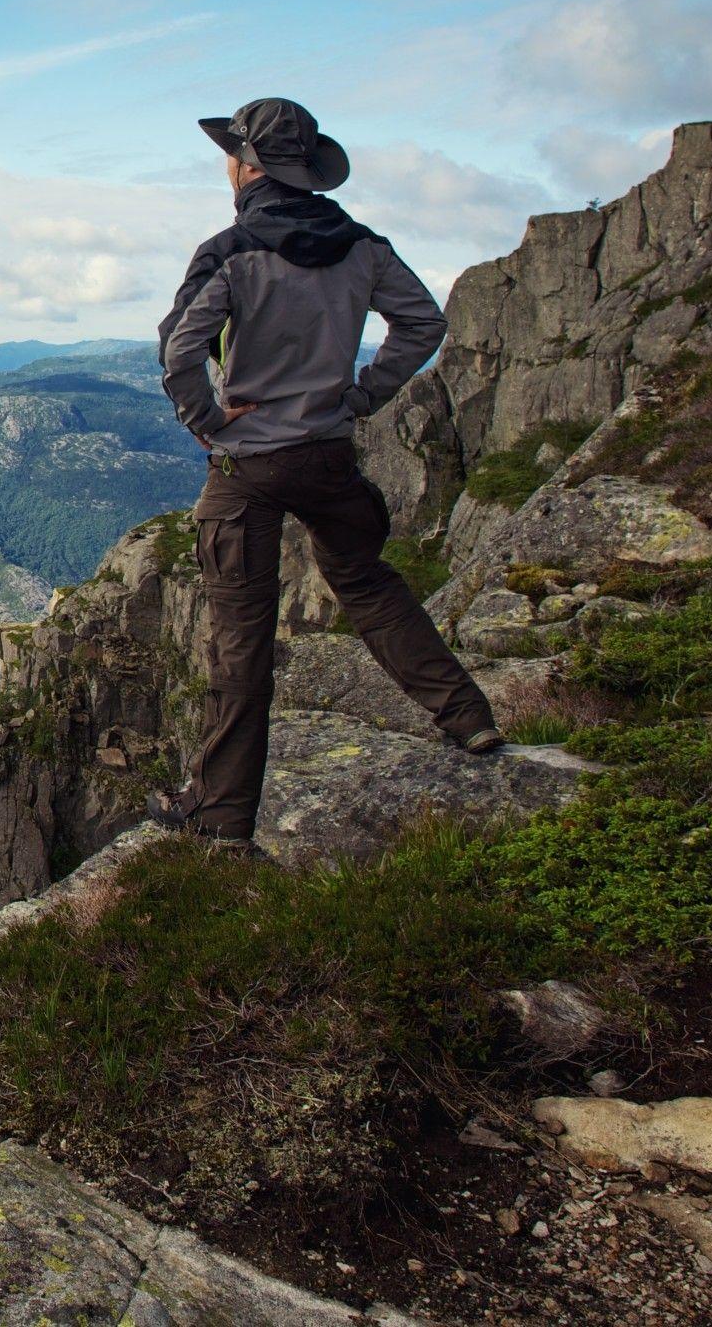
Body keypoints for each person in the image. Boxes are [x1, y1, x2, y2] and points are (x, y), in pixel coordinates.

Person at [147, 96, 501, 854]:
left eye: (230, 156)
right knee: (370, 585)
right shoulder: (363, 246)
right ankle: (467, 718)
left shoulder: (231, 249)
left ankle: (219, 817)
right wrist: (365, 392)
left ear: (246, 166)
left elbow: (178, 348)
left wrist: (207, 419)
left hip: (249, 467)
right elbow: (424, 323)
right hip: (330, 457)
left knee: (242, 645)